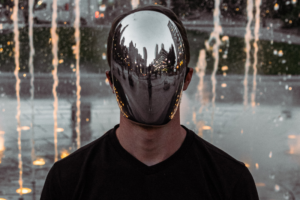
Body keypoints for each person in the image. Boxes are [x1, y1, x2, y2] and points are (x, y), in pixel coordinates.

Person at [41, 5, 259, 200]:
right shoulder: (67, 180)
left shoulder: (231, 182)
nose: (148, 82)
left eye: (160, 71)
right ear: (111, 80)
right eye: (135, 70)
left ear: (187, 78)